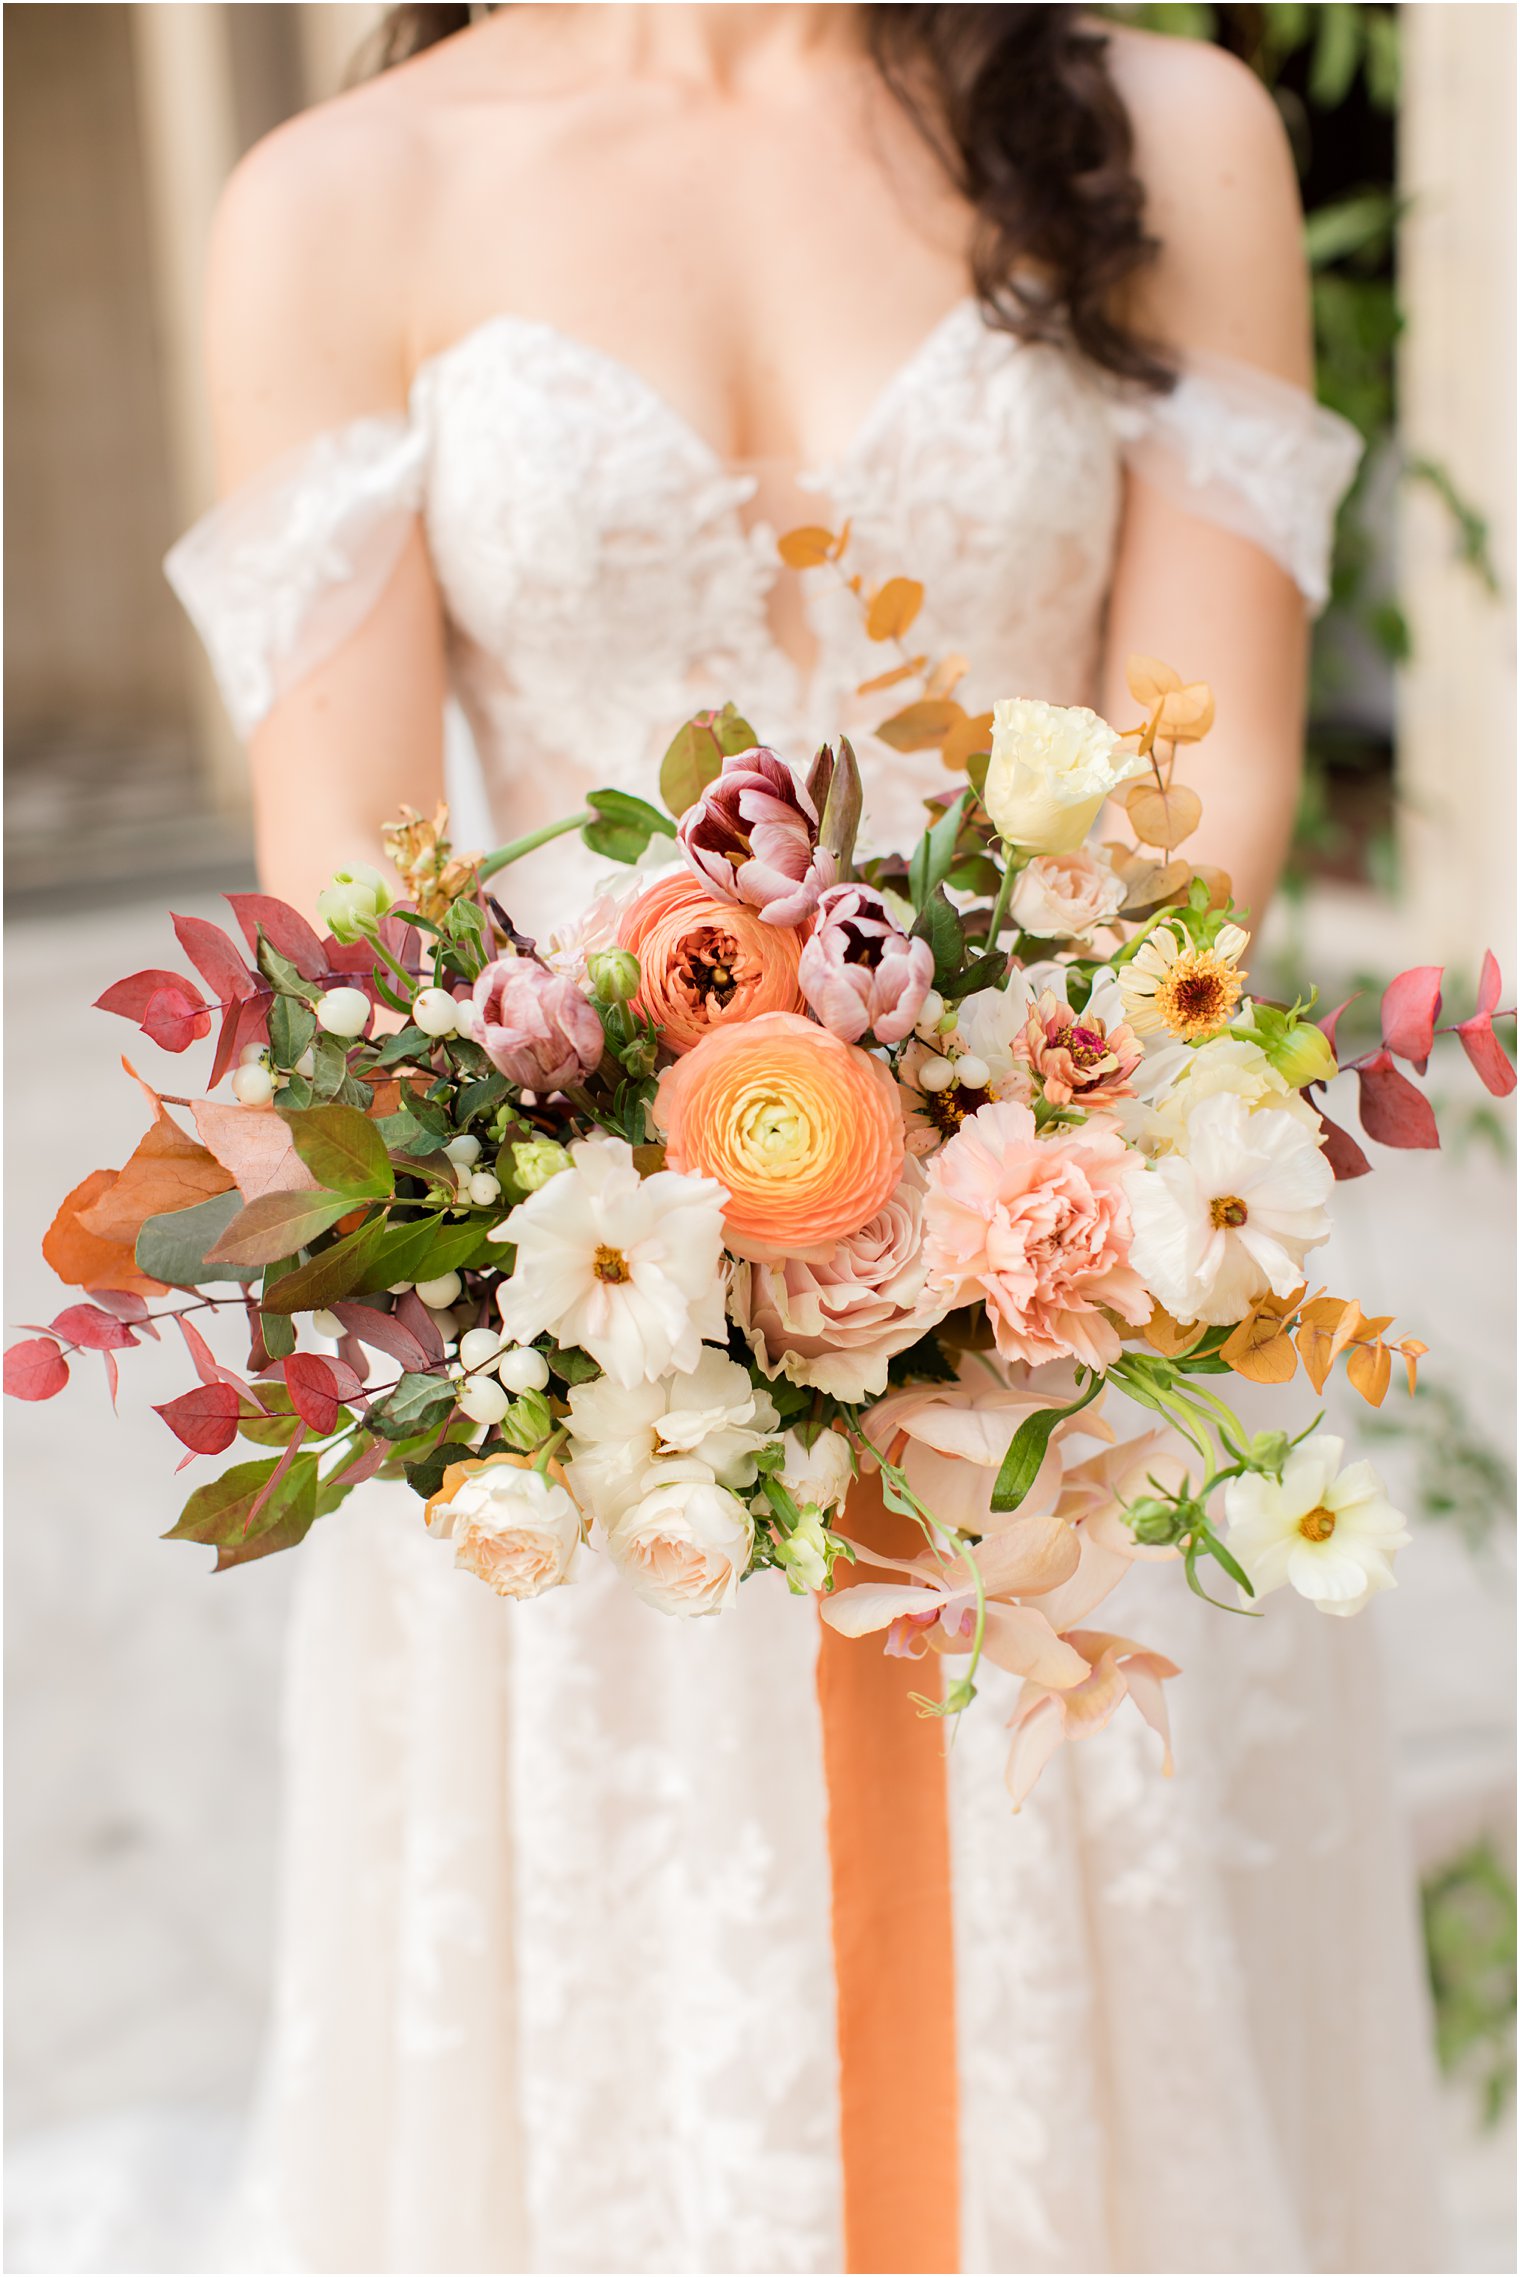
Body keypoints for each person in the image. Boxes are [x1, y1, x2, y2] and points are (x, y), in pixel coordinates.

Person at [169, 9, 1442, 2270]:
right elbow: (349, 919)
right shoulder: (338, 206)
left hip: (1077, 1307)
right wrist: (638, 1263)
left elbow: (1214, 779)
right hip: (588, 1365)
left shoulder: (1167, 131)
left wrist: (972, 1210)